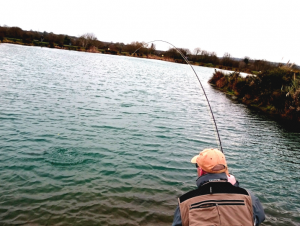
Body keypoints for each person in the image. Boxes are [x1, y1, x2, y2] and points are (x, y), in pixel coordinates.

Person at [172, 148, 265, 226]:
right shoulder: (250, 198)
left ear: (200, 170)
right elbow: (258, 218)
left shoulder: (184, 202)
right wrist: (235, 187)